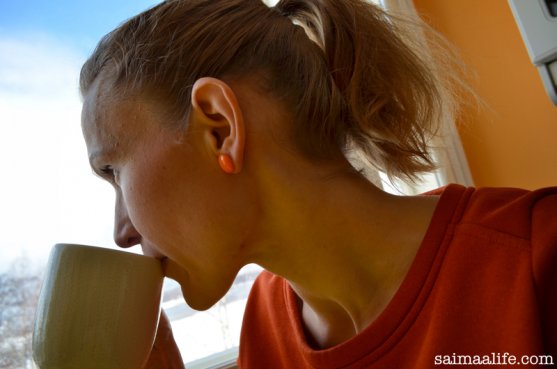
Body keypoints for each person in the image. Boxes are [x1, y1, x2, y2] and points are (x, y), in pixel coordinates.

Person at [79, 0, 557, 368]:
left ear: (219, 127)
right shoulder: (264, 326)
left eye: (114, 172)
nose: (122, 232)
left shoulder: (537, 261)